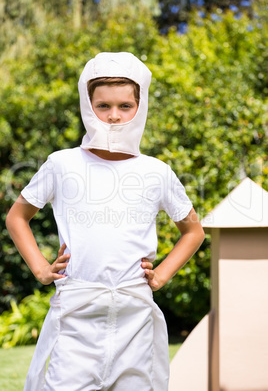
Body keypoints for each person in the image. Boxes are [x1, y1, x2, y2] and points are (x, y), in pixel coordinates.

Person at [6, 52, 205, 391]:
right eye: (103, 106)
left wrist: (161, 275)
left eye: (125, 106)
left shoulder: (156, 172)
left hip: (135, 316)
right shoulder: (62, 164)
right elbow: (17, 216)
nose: (114, 116)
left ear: (139, 108)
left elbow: (193, 231)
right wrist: (40, 268)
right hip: (76, 315)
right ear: (88, 105)